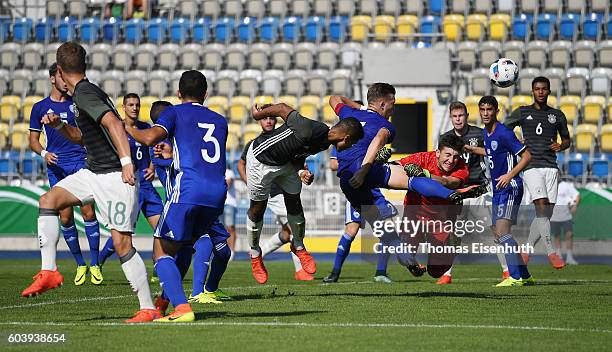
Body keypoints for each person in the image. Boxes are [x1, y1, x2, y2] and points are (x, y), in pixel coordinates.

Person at [21, 42, 158, 323]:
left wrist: (126, 162)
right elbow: (85, 136)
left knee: (122, 244)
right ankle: (49, 271)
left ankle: (148, 307)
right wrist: (59, 127)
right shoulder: (86, 93)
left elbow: (114, 124)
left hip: (114, 178)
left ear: (59, 70)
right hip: (93, 172)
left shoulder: (84, 93)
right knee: (48, 201)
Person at [328, 87, 487, 276]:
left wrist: (360, 109)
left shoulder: (348, 115)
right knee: (412, 180)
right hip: (378, 181)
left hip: (349, 181)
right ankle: (451, 197)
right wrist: (364, 169)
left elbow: (334, 98)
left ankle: (405, 261)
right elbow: (379, 138)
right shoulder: (386, 126)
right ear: (382, 104)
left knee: (387, 234)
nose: (393, 110)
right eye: (393, 104)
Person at [126, 70, 227, 322]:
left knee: (160, 252)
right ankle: (162, 303)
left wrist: (127, 127)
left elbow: (149, 137)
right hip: (216, 193)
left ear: (178, 93)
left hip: (188, 189)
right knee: (184, 247)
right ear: (205, 94)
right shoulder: (220, 120)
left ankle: (182, 309)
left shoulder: (174, 112)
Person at [246, 103, 365, 284]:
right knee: (257, 210)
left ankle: (298, 246)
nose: (351, 147)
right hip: (260, 161)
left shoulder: (324, 143)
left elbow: (298, 155)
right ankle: (255, 254)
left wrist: (301, 172)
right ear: (347, 138)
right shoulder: (308, 129)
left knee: (295, 204)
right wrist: (258, 114)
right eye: (353, 143)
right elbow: (282, 109)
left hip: (285, 165)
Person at [28, 63, 102, 286]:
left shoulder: (76, 104)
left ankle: (95, 263)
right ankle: (80, 264)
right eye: (61, 77)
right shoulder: (40, 107)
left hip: (79, 161)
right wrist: (44, 153)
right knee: (66, 217)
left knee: (88, 212)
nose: (65, 81)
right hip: (56, 166)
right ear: (53, 78)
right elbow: (33, 140)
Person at [439, 101, 509, 284]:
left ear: (467, 116)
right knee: (454, 234)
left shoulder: (479, 133)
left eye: (461, 115)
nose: (458, 119)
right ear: (450, 118)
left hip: (480, 190)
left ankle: (507, 271)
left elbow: (492, 152)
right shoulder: (445, 138)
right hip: (458, 193)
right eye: (455, 116)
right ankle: (446, 274)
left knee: (495, 230)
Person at [237, 115, 314, 281]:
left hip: (284, 190)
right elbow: (240, 164)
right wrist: (249, 182)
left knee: (287, 233)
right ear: (259, 121)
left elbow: (296, 161)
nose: (269, 121)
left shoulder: (286, 140)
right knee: (291, 228)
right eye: (265, 119)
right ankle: (299, 269)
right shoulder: (254, 144)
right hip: (272, 193)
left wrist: (301, 171)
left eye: (272, 118)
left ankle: (258, 254)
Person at [505, 76, 571, 269]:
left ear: (549, 91)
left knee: (545, 215)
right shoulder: (523, 112)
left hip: (551, 166)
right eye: (537, 89)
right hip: (531, 166)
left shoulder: (557, 115)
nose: (540, 92)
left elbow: (567, 140)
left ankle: (527, 249)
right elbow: (504, 129)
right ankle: (552, 252)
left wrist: (561, 145)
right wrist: (517, 141)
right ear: (532, 91)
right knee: (541, 208)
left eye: (544, 89)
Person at [469, 96, 534, 287]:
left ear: (497, 111)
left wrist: (509, 175)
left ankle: (514, 278)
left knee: (503, 232)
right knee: (499, 234)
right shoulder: (486, 133)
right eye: (483, 110)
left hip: (510, 186)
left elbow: (526, 156)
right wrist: (472, 149)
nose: (486, 113)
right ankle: (525, 275)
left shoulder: (504, 133)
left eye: (490, 110)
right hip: (498, 190)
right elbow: (491, 151)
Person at [98, 93, 164, 273]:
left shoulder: (145, 128)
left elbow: (154, 149)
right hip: (128, 186)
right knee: (122, 232)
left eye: (137, 105)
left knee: (161, 229)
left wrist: (152, 167)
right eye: (131, 105)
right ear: (124, 107)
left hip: (147, 187)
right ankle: (100, 259)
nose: (134, 108)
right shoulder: (116, 128)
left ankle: (159, 269)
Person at [397, 134, 469, 280]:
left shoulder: (462, 167)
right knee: (403, 256)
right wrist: (381, 161)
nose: (451, 160)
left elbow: (448, 182)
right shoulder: (422, 158)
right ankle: (412, 264)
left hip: (440, 219)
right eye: (447, 155)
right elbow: (396, 165)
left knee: (435, 272)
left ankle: (452, 245)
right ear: (437, 153)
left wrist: (425, 174)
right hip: (414, 213)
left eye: (456, 156)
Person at [323, 146, 393, 283]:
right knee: (351, 230)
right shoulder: (343, 138)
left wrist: (379, 159)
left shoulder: (372, 138)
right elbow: (333, 164)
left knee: (387, 230)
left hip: (374, 191)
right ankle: (335, 273)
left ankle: (381, 272)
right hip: (356, 190)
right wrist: (362, 162)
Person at [551, 178, 580, 265]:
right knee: (557, 235)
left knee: (569, 234)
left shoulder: (566, 185)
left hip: (566, 215)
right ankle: (559, 256)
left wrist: (575, 205)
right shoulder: (549, 185)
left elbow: (577, 195)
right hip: (553, 216)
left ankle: (569, 258)